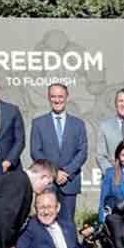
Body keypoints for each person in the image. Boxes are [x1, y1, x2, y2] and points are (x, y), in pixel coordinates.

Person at [30, 83, 88, 221]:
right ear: (48, 97)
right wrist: (55, 173)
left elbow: (82, 152)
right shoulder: (38, 123)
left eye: (60, 96)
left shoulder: (78, 124)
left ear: (66, 97)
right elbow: (35, 151)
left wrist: (66, 172)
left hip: (69, 182)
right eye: (53, 96)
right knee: (45, 222)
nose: (57, 100)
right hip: (47, 181)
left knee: (67, 223)